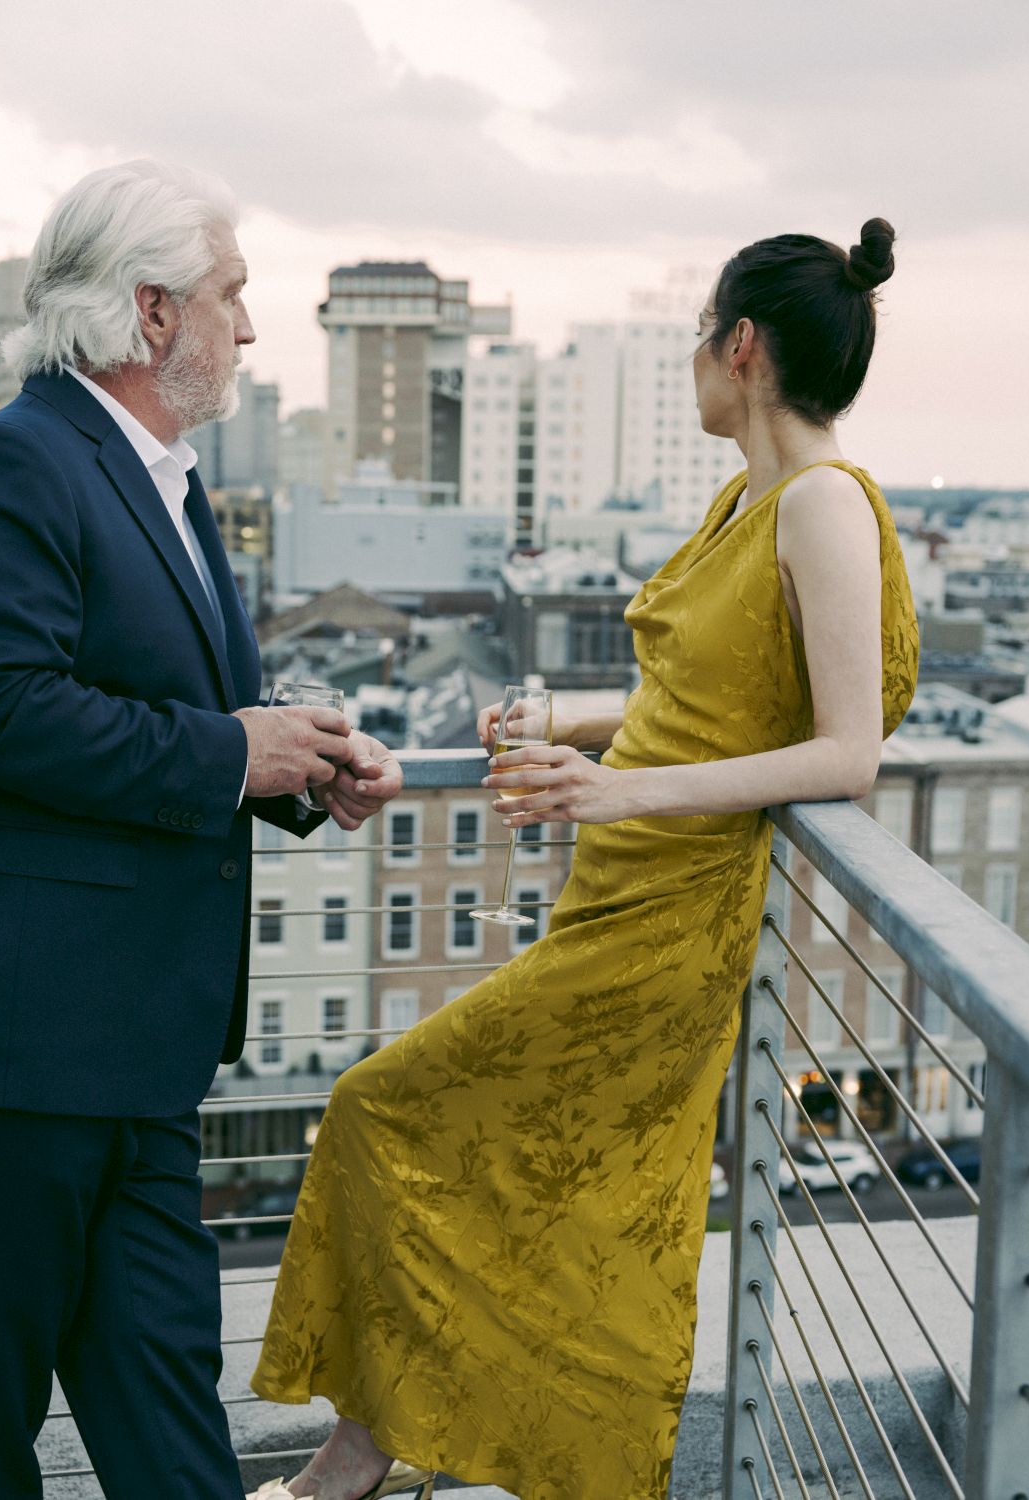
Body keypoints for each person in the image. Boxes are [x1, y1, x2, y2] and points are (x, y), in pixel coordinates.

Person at [250, 220, 920, 1500]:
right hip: (617, 900)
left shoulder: (826, 505)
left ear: (739, 347)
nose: (691, 365)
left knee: (395, 1111)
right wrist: (563, 726)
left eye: (696, 341)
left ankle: (373, 1464)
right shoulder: (751, 498)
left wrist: (614, 791)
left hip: (669, 924)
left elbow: (844, 754)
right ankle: (382, 1453)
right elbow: (715, 698)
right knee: (543, 1187)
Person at [0, 160, 405, 1499]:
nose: (248, 329)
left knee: (163, 1402)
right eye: (231, 296)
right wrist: (233, 749)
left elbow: (187, 719)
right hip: (6, 1035)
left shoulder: (169, 485)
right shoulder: (7, 465)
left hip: (136, 1039)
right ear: (150, 314)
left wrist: (301, 772)